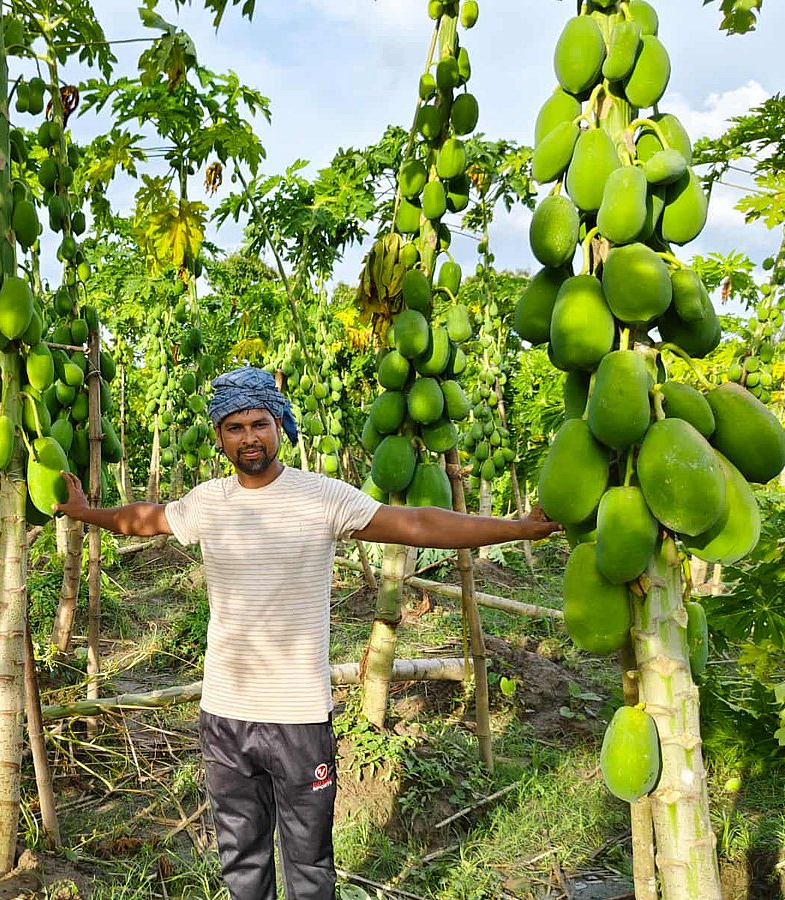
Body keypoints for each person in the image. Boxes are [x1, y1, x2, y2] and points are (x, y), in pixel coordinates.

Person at [54, 366, 560, 900]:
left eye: (259, 424)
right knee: (242, 862)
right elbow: (146, 518)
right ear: (220, 436)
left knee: (310, 864)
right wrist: (89, 513)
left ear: (279, 426)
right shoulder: (209, 502)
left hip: (299, 716)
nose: (249, 437)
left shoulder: (322, 497)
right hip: (226, 713)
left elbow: (416, 523)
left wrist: (517, 527)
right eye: (235, 427)